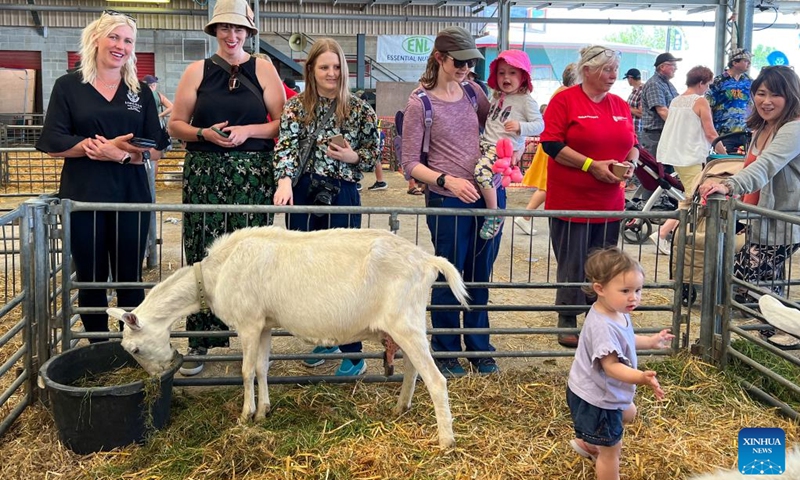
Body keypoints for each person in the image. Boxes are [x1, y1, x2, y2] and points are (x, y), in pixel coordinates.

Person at [35, 11, 169, 342]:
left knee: (129, 277)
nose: (120, 46)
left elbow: (158, 147)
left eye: (127, 40)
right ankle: (97, 345)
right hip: (84, 195)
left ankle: (132, 344)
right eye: (114, 37)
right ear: (96, 39)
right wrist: (98, 147)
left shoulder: (139, 92)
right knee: (91, 275)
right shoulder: (69, 86)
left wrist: (122, 154)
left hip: (131, 194)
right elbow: (53, 142)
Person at [168, 0, 286, 375]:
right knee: (205, 254)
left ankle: (252, 341)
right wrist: (204, 133)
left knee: (251, 257)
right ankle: (201, 341)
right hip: (206, 173)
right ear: (215, 31)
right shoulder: (196, 71)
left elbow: (284, 123)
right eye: (224, 29)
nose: (232, 35)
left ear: (248, 33)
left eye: (239, 30)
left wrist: (248, 130)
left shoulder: (264, 69)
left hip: (253, 173)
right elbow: (175, 124)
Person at [273, 38, 380, 376]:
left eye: (336, 67)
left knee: (346, 272)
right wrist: (285, 180)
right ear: (311, 70)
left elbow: (374, 153)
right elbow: (285, 147)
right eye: (324, 67)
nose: (331, 73)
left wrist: (353, 156)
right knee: (310, 270)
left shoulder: (360, 109)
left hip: (343, 192)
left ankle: (354, 353)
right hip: (304, 192)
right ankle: (326, 335)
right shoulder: (294, 108)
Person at [400, 26, 499, 375]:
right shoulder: (420, 103)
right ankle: (444, 350)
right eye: (459, 62)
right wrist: (447, 181)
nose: (465, 69)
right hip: (447, 199)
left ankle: (479, 347)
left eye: (470, 62)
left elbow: (493, 130)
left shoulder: (475, 93)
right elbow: (409, 162)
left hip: (485, 193)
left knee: (480, 273)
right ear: (439, 58)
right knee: (448, 274)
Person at [539, 45, 638, 348]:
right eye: (607, 70)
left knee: (607, 261)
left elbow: (632, 143)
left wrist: (631, 162)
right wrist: (589, 165)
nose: (613, 76)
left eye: (615, 70)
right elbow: (551, 144)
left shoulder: (620, 105)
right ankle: (567, 316)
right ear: (587, 71)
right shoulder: (565, 101)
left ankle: (602, 313)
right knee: (572, 260)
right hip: (572, 199)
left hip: (609, 201)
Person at [698, 66, 800, 343]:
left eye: (775, 94)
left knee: (747, 281)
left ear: (790, 96)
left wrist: (729, 185)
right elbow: (751, 167)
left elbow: (765, 167)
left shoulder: (794, 128)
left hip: (783, 221)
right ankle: (771, 337)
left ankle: (776, 333)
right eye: (761, 93)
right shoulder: (762, 127)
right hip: (759, 218)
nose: (766, 101)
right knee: (765, 285)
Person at [566, 247, 674, 480]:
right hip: (597, 397)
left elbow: (625, 340)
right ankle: (594, 445)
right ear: (600, 289)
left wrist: (652, 341)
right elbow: (611, 366)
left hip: (595, 390)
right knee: (611, 451)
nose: (633, 297)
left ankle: (586, 442)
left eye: (638, 290)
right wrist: (641, 377)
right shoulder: (603, 326)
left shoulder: (616, 311)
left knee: (629, 412)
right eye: (625, 290)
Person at [650, 66, 726, 254]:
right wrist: (723, 154)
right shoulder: (700, 101)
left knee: (692, 197)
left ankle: (671, 233)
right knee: (695, 198)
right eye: (708, 84)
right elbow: (710, 133)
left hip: (677, 155)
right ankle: (663, 232)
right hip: (692, 156)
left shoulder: (676, 101)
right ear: (701, 83)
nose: (708, 88)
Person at [477, 49, 544, 239]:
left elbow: (540, 125)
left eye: (512, 72)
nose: (506, 77)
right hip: (486, 145)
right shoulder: (497, 96)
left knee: (481, 174)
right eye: (501, 73)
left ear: (523, 76)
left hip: (500, 149)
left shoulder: (526, 101)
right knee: (480, 174)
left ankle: (493, 214)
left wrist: (520, 127)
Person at [515, 63, 577, 235]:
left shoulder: (561, 91)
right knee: (547, 184)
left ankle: (526, 216)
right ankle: (525, 216)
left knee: (548, 184)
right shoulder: (565, 94)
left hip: (553, 145)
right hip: (555, 147)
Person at [707, 48, 753, 154]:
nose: (749, 64)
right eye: (745, 61)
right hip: (724, 133)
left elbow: (752, 104)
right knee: (725, 164)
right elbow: (708, 105)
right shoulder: (718, 81)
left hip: (745, 132)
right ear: (735, 62)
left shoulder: (749, 81)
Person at [640, 52, 681, 166]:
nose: (676, 68)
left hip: (664, 134)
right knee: (654, 174)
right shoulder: (654, 84)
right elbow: (662, 111)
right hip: (655, 137)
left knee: (665, 173)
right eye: (673, 65)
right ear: (662, 67)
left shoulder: (667, 84)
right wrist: (681, 125)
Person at [623, 68, 643, 134]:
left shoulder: (642, 91)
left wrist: (625, 107)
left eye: (628, 79)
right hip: (631, 129)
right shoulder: (634, 91)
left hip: (637, 131)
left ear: (630, 78)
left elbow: (641, 113)